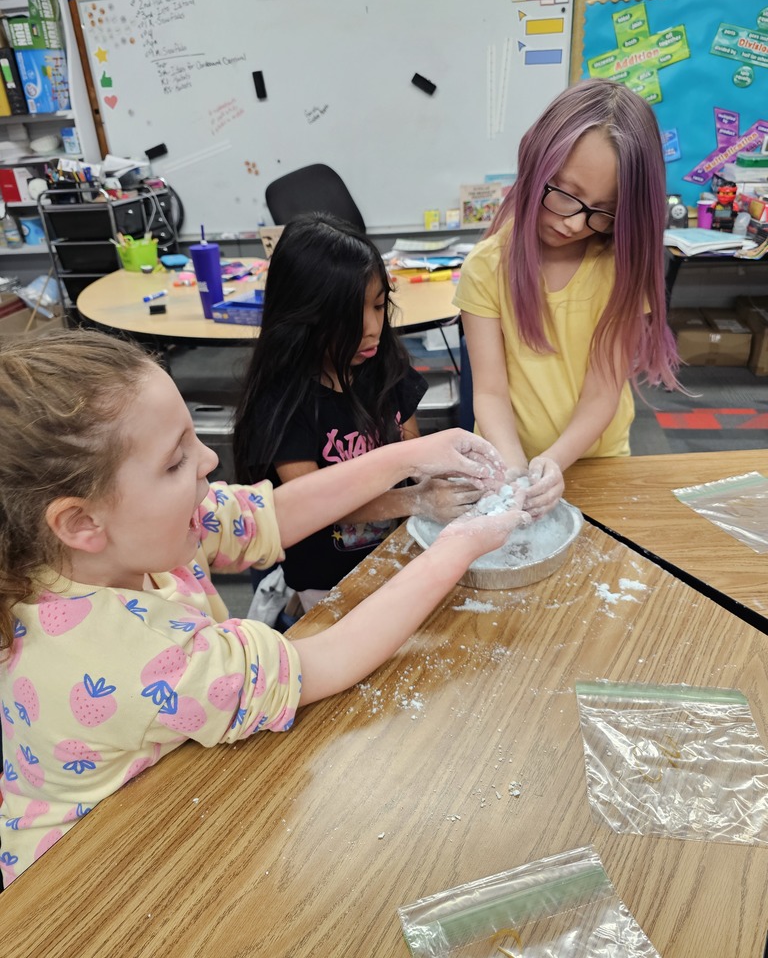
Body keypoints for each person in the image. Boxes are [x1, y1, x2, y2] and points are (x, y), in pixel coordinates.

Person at [0, 329, 523, 886]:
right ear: (80, 522)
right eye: (175, 461)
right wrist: (462, 542)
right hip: (91, 881)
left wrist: (412, 454)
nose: (207, 460)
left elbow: (268, 515)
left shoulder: (97, 544)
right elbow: (325, 661)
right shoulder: (127, 658)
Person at [233, 213, 483, 613]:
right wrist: (416, 500)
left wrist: (447, 478)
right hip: (327, 583)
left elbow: (411, 448)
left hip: (396, 555)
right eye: (350, 317)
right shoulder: (282, 401)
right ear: (302, 318)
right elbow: (315, 505)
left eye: (380, 306)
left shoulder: (383, 366)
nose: (372, 329)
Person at [455, 78, 680, 516]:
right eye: (565, 195)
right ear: (535, 164)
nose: (576, 224)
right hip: (507, 457)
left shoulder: (620, 267)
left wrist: (555, 462)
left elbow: (603, 393)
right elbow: (490, 392)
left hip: (597, 460)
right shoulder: (486, 267)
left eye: (603, 212)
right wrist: (517, 470)